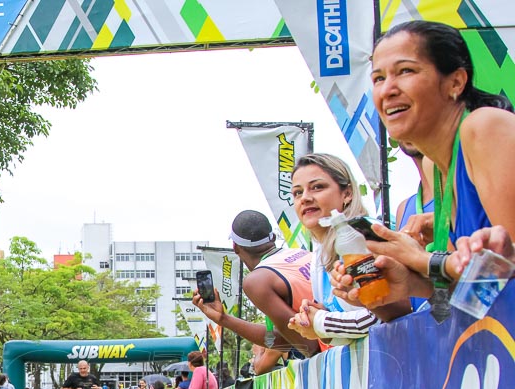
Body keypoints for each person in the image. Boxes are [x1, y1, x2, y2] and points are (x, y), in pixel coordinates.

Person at [330, 21, 515, 314]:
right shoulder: (434, 168)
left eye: (405, 71)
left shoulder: (485, 128)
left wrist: (423, 261)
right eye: (378, 78)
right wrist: (412, 284)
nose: (388, 90)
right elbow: (485, 291)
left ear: (455, 82)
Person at [283, 154, 404, 342]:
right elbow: (348, 337)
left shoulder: (365, 235)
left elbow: (382, 315)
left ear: (347, 193)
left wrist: (321, 323)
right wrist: (314, 325)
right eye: (298, 192)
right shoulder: (319, 255)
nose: (305, 198)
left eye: (317, 187)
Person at [195, 210, 319, 360]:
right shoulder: (304, 254)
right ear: (272, 237)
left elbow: (309, 346)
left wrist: (223, 320)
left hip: (336, 356)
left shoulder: (257, 281)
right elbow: (285, 341)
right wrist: (223, 319)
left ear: (236, 247)